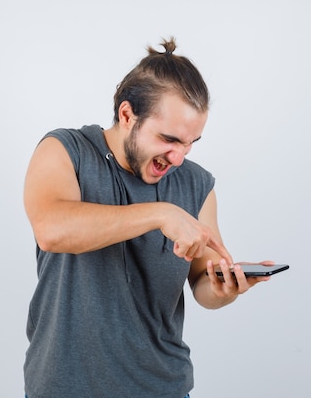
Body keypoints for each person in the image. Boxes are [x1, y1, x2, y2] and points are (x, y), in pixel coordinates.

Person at [22, 37, 275, 398]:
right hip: (63, 387)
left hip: (162, 388)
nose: (178, 158)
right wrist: (159, 214)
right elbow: (52, 229)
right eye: (168, 139)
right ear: (127, 115)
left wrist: (223, 289)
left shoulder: (196, 183)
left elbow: (203, 283)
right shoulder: (65, 150)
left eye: (191, 143)